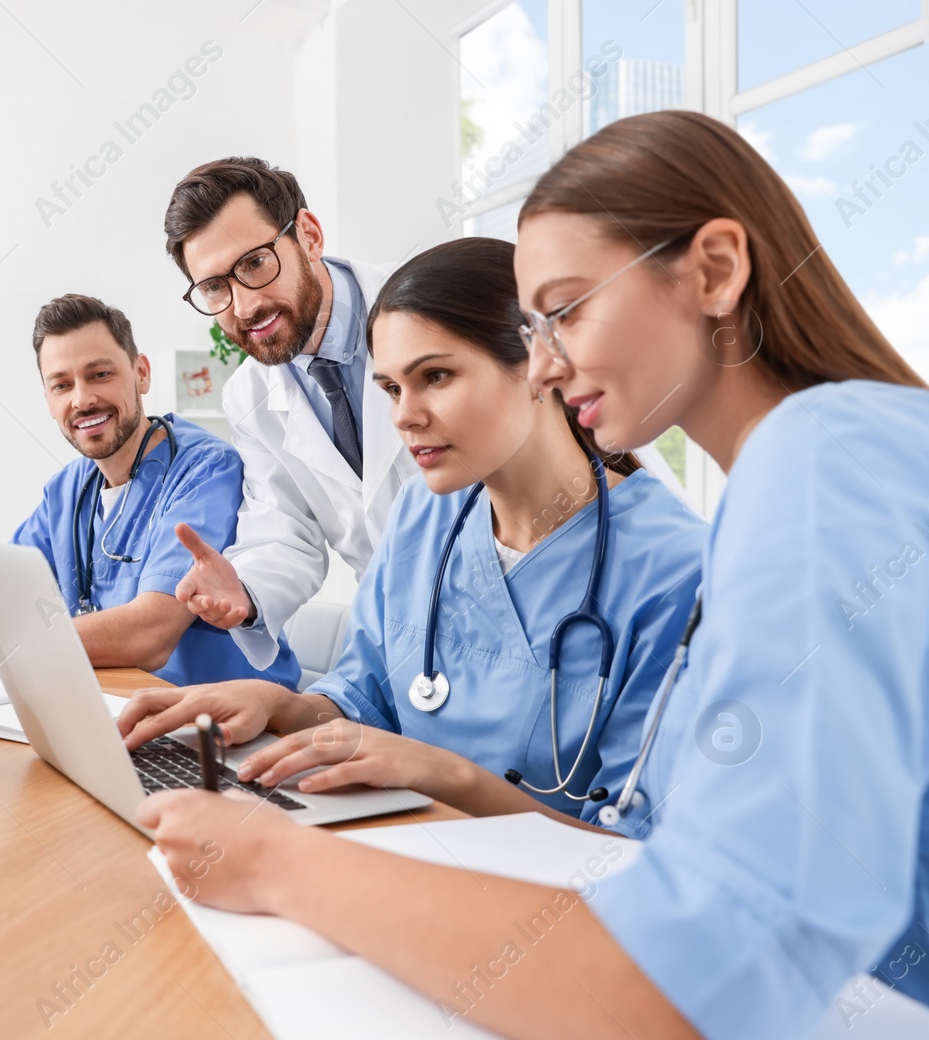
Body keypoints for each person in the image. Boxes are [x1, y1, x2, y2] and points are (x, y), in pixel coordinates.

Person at [139, 110, 929, 1040]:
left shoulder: (821, 469)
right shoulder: (832, 463)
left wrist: (282, 865)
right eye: (534, 324)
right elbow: (668, 867)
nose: (546, 361)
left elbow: (698, 990)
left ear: (716, 271)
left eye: (566, 311)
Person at [119, 237, 704, 823]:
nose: (404, 416)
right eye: (393, 389)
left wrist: (439, 772)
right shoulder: (422, 515)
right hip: (391, 847)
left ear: (541, 364)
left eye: (437, 376)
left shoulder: (681, 572)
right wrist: (280, 706)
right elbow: (363, 699)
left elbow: (637, 847)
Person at [161, 157, 683, 673]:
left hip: (547, 592)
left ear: (310, 236)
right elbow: (284, 531)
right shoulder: (249, 394)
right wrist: (245, 590)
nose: (243, 303)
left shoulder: (433, 307)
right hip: (412, 637)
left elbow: (590, 436)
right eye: (213, 287)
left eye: (254, 263)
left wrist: (664, 552)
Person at [0, 293, 299, 688]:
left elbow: (150, 633)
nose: (82, 399)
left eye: (100, 374)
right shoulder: (68, 492)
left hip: (229, 726)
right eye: (61, 385)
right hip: (121, 713)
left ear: (141, 373)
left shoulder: (206, 470)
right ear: (48, 400)